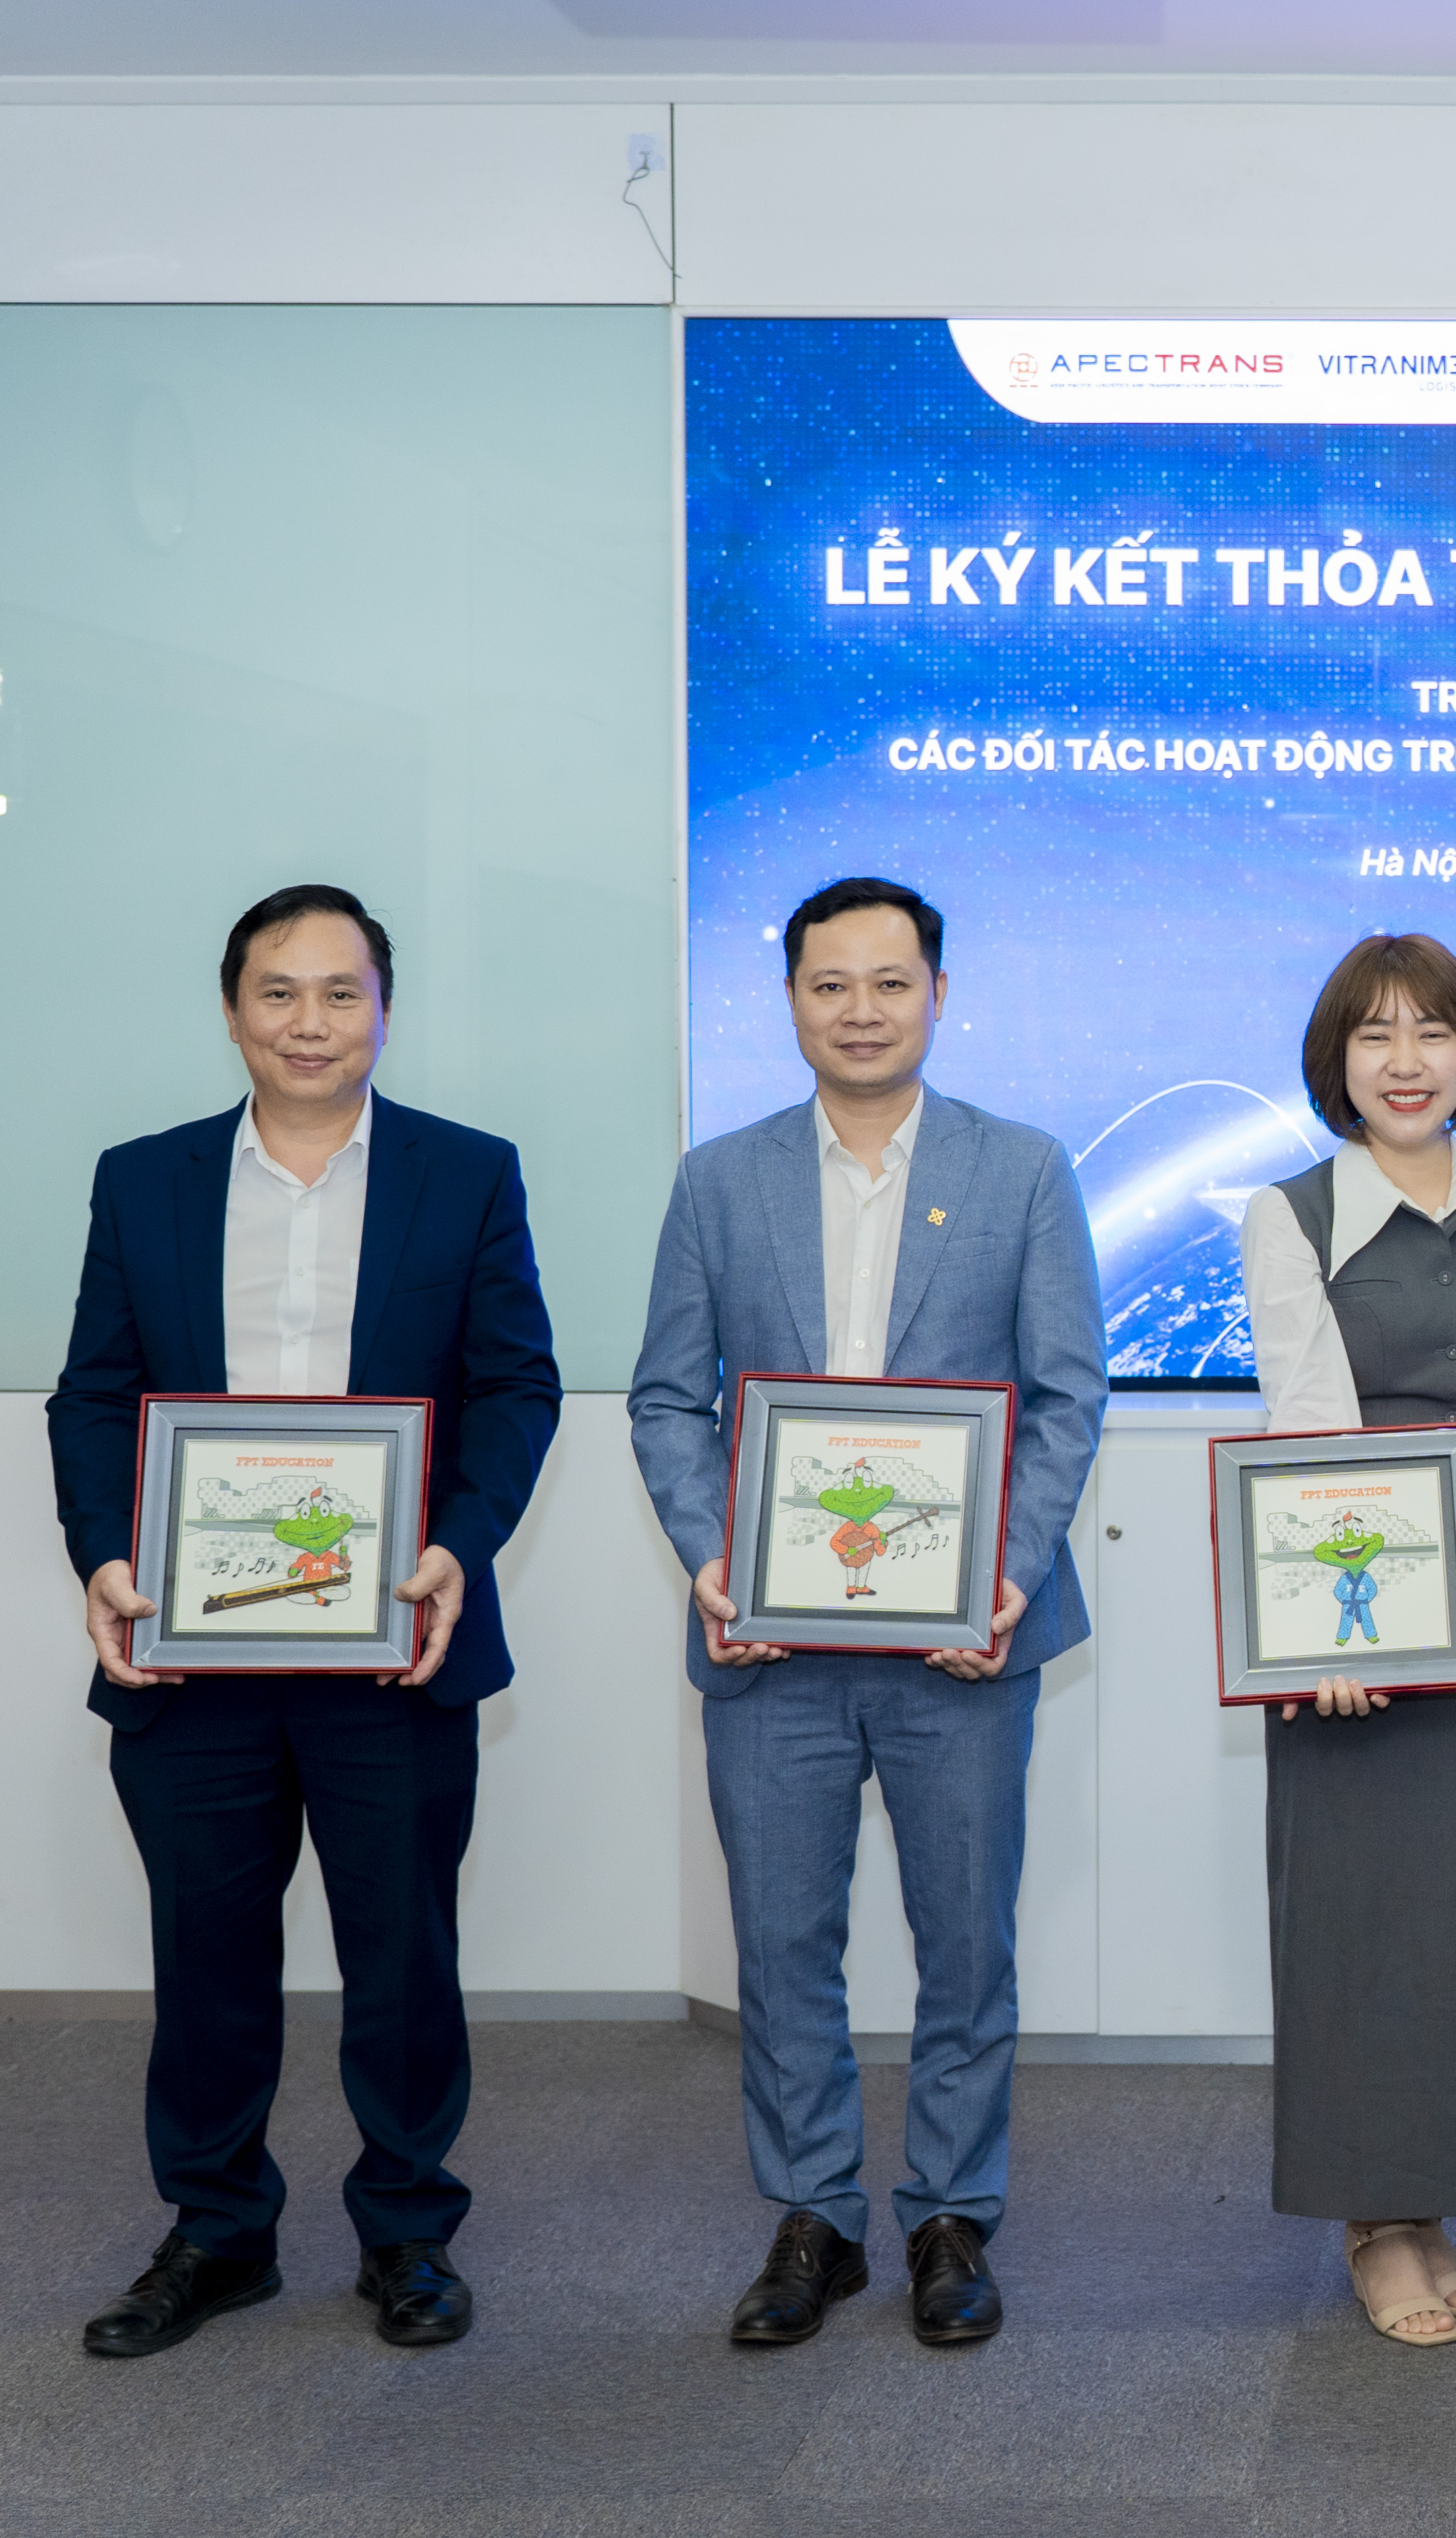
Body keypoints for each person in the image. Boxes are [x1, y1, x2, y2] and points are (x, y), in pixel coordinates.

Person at [48, 883, 562, 2357]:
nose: (310, 1022)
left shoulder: (464, 1174)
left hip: (394, 1642)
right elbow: (93, 1390)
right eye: (280, 992)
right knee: (207, 1954)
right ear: (232, 1010)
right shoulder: (142, 1179)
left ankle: (408, 2231)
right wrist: (101, 1555)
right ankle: (217, 2229)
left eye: (341, 992)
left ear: (382, 1009)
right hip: (192, 1649)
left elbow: (517, 1385)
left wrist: (460, 1542)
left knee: (401, 1955)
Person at [628, 875, 1106, 2352]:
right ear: (789, 1001)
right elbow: (667, 1396)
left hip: (965, 1637)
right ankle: (817, 2215)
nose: (861, 1009)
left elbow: (1066, 1394)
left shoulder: (1019, 1168)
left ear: (937, 993)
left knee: (967, 1939)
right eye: (830, 983)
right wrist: (717, 1557)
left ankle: (953, 2212)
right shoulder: (719, 1178)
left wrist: (1008, 1569)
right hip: (771, 1642)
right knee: (783, 1938)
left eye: (889, 982)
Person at [1237, 933, 1456, 2346]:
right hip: (1357, 1597)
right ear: (1337, 1059)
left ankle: (1438, 2201)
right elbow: (1304, 1416)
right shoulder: (1295, 1212)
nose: (1405, 1059)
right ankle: (1373, 2219)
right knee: (1358, 1914)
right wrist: (1321, 1627)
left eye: (1433, 1031)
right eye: (1375, 1033)